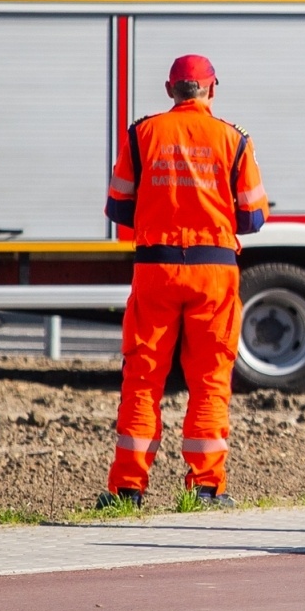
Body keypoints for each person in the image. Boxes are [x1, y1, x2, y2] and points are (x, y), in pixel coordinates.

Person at [98, 54, 268, 509]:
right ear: (212, 89)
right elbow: (253, 217)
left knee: (143, 378)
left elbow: (118, 207)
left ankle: (127, 491)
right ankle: (206, 488)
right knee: (210, 380)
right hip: (214, 273)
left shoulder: (141, 134)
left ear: (169, 89)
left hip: (155, 268)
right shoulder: (233, 139)